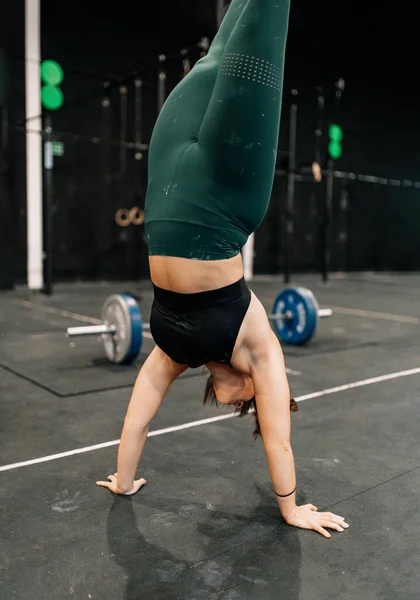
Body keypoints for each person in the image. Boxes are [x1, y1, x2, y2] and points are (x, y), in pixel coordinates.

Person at [97, 0, 349, 539]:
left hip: (171, 162)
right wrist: (290, 509)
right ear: (255, 391)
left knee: (221, 48)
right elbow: (279, 440)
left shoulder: (173, 350)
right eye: (251, 405)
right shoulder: (260, 350)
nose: (238, 407)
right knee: (259, 20)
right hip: (225, 191)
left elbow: (137, 415)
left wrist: (123, 480)